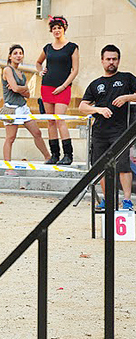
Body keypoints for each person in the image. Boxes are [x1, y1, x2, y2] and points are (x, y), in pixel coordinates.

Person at [79, 44, 136, 211]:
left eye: (114, 59)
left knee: (123, 165)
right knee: (101, 167)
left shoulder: (127, 78)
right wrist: (98, 109)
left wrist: (127, 97)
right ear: (102, 60)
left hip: (120, 131)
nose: (111, 62)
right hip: (99, 132)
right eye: (108, 59)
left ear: (118, 60)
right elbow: (82, 106)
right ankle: (107, 199)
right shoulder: (95, 84)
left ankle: (127, 201)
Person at [0, 45, 50, 175]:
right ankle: (8, 168)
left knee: (37, 133)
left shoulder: (21, 74)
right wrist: (22, 89)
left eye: (20, 53)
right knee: (10, 138)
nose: (18, 55)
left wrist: (21, 89)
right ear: (10, 56)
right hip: (11, 108)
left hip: (23, 108)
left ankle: (48, 158)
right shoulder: (7, 70)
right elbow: (16, 89)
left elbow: (27, 94)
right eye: (15, 53)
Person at [36, 16, 79, 165]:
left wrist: (64, 86)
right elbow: (38, 62)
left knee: (60, 119)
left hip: (63, 88)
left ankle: (68, 155)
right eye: (54, 28)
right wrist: (40, 71)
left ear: (64, 28)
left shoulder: (72, 47)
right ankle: (54, 155)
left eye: (59, 28)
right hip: (47, 86)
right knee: (50, 121)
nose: (56, 30)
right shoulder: (47, 47)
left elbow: (75, 70)